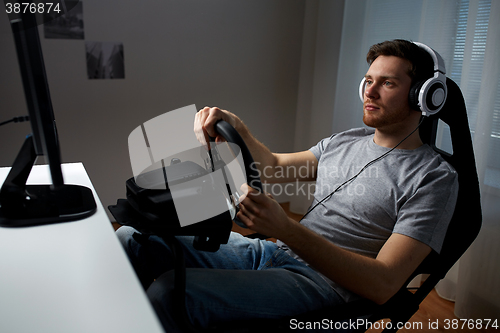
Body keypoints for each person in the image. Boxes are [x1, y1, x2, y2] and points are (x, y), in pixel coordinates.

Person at [116, 39, 458, 331]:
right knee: (130, 239)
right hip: (276, 253)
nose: (369, 91)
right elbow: (275, 168)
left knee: (170, 293)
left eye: (388, 83)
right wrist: (235, 126)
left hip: (325, 287)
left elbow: (383, 285)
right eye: (368, 80)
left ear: (422, 96)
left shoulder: (434, 178)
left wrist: (284, 227)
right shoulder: (346, 141)